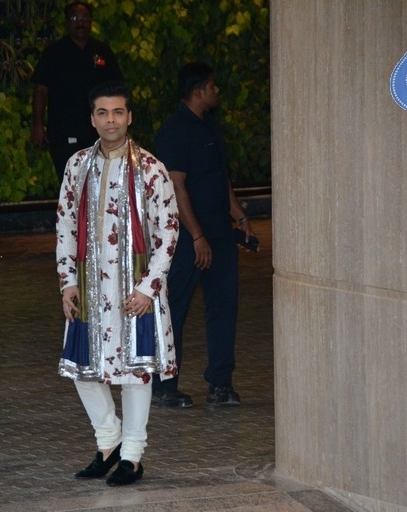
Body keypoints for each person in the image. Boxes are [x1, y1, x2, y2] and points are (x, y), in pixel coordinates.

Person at [56, 81, 179, 486]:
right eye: (103, 113)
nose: (111, 120)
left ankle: (132, 455)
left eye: (118, 113)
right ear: (92, 119)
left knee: (135, 371)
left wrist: (148, 289)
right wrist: (67, 282)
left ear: (130, 117)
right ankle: (107, 441)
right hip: (90, 287)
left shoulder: (150, 168)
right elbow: (65, 225)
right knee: (82, 370)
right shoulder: (76, 166)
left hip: (134, 290)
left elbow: (168, 232)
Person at [151, 62, 254, 408]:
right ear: (198, 91)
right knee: (174, 307)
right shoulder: (175, 131)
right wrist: (196, 236)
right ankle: (164, 386)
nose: (217, 91)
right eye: (212, 86)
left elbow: (220, 177)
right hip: (186, 239)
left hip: (220, 233)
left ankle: (220, 384)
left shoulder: (210, 127)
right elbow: (176, 187)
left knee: (224, 306)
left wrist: (239, 216)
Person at [32, 2, 123, 183]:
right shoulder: (54, 53)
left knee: (101, 184)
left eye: (84, 18)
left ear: (90, 21)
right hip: (64, 132)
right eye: (75, 18)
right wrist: (37, 125)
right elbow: (40, 91)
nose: (80, 22)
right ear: (67, 23)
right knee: (72, 186)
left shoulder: (101, 51)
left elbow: (118, 90)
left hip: (99, 132)